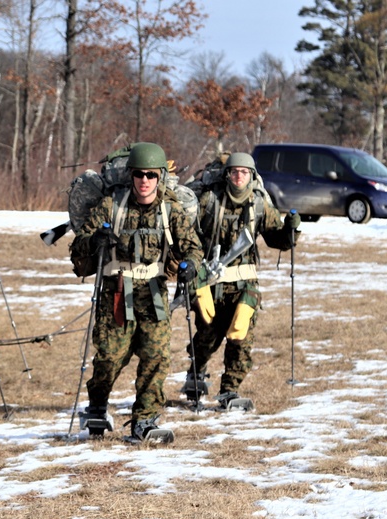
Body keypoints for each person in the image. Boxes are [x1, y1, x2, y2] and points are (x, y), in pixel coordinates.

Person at [70, 142, 203, 441]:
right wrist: (95, 242)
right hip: (115, 291)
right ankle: (97, 406)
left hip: (154, 293)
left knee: (156, 357)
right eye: (139, 174)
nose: (145, 181)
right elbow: (78, 246)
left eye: (151, 175)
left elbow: (193, 248)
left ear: (159, 178)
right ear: (131, 175)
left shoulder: (171, 210)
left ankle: (145, 419)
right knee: (109, 358)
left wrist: (190, 266)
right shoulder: (110, 206)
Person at [185, 151, 301, 410]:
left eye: (244, 172)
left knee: (241, 334)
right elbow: (188, 234)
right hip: (210, 280)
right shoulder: (209, 200)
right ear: (227, 174)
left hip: (244, 282)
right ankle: (196, 369)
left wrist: (291, 231)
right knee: (208, 335)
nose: (239, 176)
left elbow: (276, 239)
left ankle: (229, 389)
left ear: (252, 176)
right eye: (234, 171)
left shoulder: (259, 203)